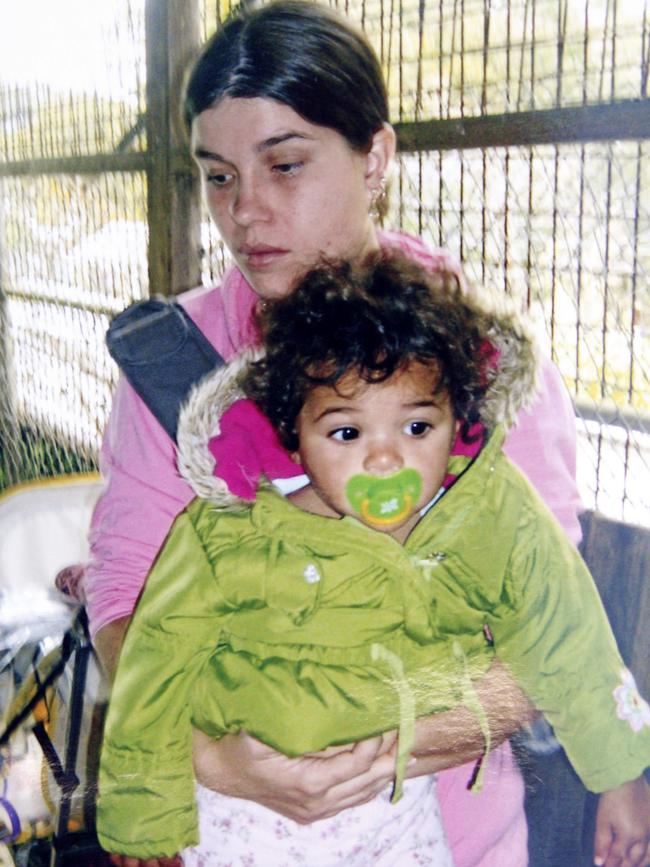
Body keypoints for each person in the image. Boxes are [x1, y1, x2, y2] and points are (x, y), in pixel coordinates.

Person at [86, 2, 589, 865]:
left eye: (285, 165)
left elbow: (546, 624)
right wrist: (215, 756)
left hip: (456, 837)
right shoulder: (174, 359)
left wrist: (382, 743)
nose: (246, 212)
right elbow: (125, 591)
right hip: (231, 833)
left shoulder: (475, 354)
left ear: (376, 157)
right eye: (218, 176)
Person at [97, 255, 650, 867]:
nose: (385, 461)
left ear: (457, 419)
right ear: (294, 430)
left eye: (416, 427)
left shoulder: (484, 512)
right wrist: (141, 815)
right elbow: (156, 660)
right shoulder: (233, 530)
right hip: (241, 822)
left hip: (397, 818)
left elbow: (564, 625)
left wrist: (620, 776)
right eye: (346, 433)